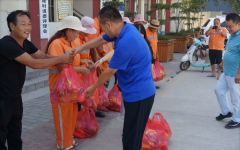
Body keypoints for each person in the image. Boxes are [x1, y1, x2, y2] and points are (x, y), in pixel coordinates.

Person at [73, 5, 155, 150]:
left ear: (109, 24)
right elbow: (100, 40)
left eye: (102, 27)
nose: (102, 31)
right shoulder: (124, 30)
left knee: (131, 138)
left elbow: (110, 72)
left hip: (139, 95)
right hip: (136, 92)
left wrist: (93, 87)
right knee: (132, 135)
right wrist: (78, 49)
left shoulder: (126, 41)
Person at [0, 10, 73, 150]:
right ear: (12, 26)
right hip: (2, 99)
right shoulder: (6, 44)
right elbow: (34, 63)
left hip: (15, 97)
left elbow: (42, 57)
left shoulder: (25, 43)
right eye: (23, 24)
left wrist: (66, 59)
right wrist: (61, 59)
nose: (28, 27)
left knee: (15, 135)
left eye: (29, 24)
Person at [46, 16, 87, 150]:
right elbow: (61, 67)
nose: (77, 35)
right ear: (68, 30)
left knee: (71, 116)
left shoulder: (72, 42)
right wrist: (80, 69)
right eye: (76, 32)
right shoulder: (57, 44)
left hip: (71, 88)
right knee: (62, 118)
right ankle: (63, 144)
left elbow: (72, 61)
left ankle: (69, 139)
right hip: (59, 89)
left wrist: (83, 62)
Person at [76, 16, 106, 117]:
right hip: (78, 74)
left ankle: (90, 111)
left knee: (87, 94)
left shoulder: (85, 38)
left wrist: (97, 65)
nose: (88, 33)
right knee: (79, 98)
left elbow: (92, 49)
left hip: (85, 72)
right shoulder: (76, 40)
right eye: (86, 31)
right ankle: (82, 115)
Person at [214, 13, 240, 129]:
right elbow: (228, 51)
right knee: (218, 90)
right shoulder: (232, 36)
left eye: (231, 26)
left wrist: (239, 73)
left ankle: (237, 120)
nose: (228, 29)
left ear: (238, 24)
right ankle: (226, 112)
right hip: (227, 72)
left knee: (236, 98)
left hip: (235, 74)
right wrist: (222, 62)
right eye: (227, 26)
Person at [146, 19, 160, 89]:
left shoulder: (155, 33)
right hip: (148, 56)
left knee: (152, 71)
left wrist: (157, 53)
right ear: (151, 27)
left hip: (154, 55)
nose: (156, 30)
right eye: (155, 28)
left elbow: (156, 43)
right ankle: (148, 85)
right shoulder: (146, 33)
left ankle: (151, 84)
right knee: (148, 71)